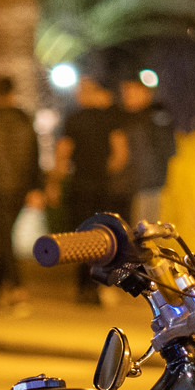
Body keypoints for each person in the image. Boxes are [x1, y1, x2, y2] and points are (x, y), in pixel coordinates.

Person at [51, 76, 131, 302]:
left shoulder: (73, 119)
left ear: (86, 93)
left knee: (81, 237)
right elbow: (120, 154)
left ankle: (82, 287)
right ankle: (98, 286)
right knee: (102, 237)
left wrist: (56, 181)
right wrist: (105, 170)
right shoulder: (111, 120)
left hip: (80, 183)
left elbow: (63, 151)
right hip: (102, 185)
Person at [0, 76, 43, 313]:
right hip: (20, 187)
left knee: (3, 237)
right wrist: (36, 187)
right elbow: (35, 155)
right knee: (4, 235)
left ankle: (17, 287)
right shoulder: (25, 120)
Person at [119, 77, 175, 224]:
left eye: (131, 92)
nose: (127, 97)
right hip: (136, 186)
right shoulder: (131, 118)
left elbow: (166, 150)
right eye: (125, 93)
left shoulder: (154, 118)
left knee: (146, 231)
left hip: (150, 187)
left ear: (145, 93)